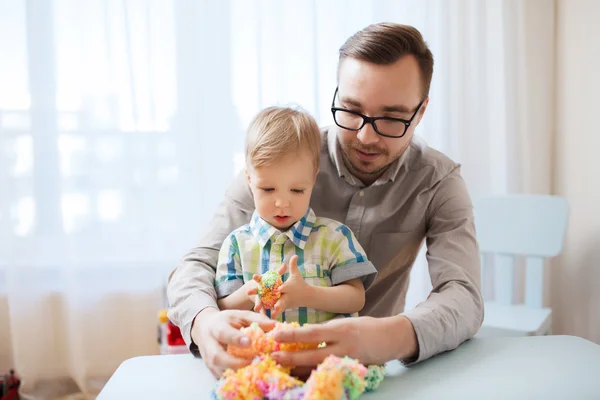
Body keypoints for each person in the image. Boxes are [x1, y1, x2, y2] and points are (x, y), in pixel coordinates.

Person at [167, 22, 484, 378]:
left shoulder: (438, 181)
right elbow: (194, 266)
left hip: (370, 376)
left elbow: (463, 296)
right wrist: (204, 321)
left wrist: (388, 336)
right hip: (262, 369)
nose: (365, 136)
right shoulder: (282, 160)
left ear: (420, 112)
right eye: (351, 110)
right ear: (335, 95)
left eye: (392, 118)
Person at [214, 106, 377, 323]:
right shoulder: (236, 244)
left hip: (324, 353)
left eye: (297, 190)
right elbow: (221, 307)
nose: (282, 203)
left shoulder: (335, 237)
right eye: (268, 189)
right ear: (250, 180)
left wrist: (308, 294)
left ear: (313, 180)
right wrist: (249, 292)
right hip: (261, 354)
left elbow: (356, 298)